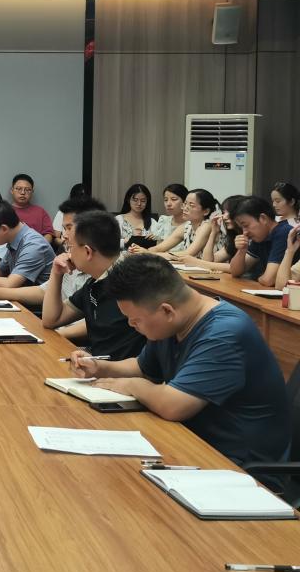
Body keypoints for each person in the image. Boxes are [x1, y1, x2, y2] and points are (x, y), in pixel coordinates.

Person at [69, 254, 289, 479]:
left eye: (135, 320)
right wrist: (100, 367)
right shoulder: (175, 321)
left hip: (238, 468)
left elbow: (173, 405)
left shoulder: (224, 333)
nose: (131, 325)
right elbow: (143, 367)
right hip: (192, 443)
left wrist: (132, 385)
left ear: (167, 311)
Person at [0, 196, 108, 314]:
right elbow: (43, 294)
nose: (64, 236)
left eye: (69, 228)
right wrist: (56, 273)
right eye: (64, 229)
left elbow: (84, 324)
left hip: (36, 311)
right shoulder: (71, 262)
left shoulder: (34, 245)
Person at [42, 211, 145, 359]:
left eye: (70, 247)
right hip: (97, 365)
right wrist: (56, 273)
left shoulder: (129, 285)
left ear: (88, 252)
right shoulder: (95, 281)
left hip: (115, 370)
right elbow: (51, 320)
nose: (67, 253)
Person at [230, 196, 300, 288]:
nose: (244, 232)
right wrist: (241, 251)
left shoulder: (284, 232)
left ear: (263, 218)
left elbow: (268, 280)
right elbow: (235, 272)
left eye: (246, 225)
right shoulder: (261, 236)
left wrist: (258, 278)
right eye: (241, 227)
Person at [132, 188, 218, 260]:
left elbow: (187, 254)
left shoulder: (206, 225)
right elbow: (160, 248)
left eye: (191, 205)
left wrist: (149, 253)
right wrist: (141, 250)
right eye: (185, 204)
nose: (185, 208)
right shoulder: (186, 226)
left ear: (206, 211)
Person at [175, 194, 246, 273]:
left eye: (229, 212)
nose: (224, 217)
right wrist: (213, 233)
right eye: (223, 212)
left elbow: (233, 268)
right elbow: (208, 260)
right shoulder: (233, 238)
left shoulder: (250, 238)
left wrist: (196, 262)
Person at [9, 173, 54, 243]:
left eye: (27, 190)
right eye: (19, 189)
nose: (23, 193)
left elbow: (48, 234)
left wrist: (39, 247)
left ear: (32, 192)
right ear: (12, 190)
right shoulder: (5, 211)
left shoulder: (40, 212)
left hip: (36, 247)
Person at [149, 183, 189, 250]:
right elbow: (158, 249)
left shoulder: (191, 225)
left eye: (174, 199)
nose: (168, 204)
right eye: (166, 200)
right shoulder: (164, 220)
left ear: (185, 202)